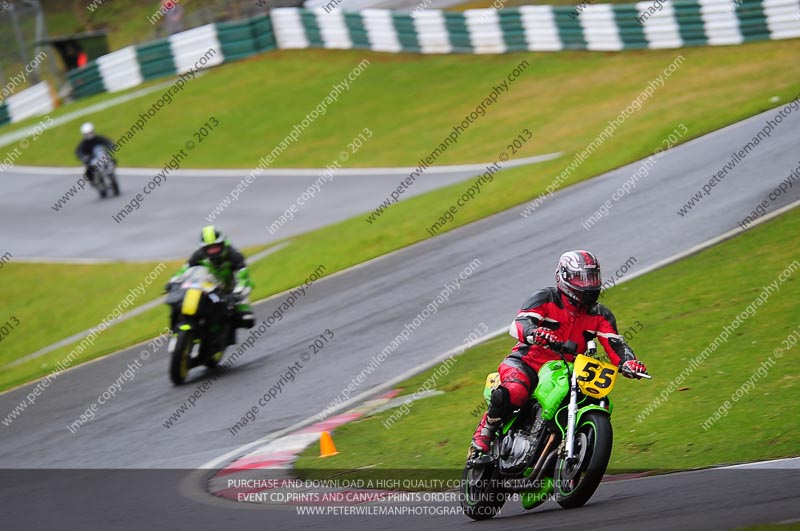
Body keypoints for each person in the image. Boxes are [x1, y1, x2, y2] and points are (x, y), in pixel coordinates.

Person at [470, 250, 647, 458]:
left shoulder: (601, 314)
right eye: (581, 278)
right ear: (563, 276)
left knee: (597, 400)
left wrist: (629, 363)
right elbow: (519, 324)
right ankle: (486, 430)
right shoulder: (545, 297)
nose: (588, 285)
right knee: (516, 390)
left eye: (592, 278)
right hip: (527, 362)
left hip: (567, 369)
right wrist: (535, 333)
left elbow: (615, 344)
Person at [167, 226, 255, 342]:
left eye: (216, 247)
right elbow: (184, 270)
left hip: (230, 291)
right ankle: (176, 332)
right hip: (207, 288)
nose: (213, 251)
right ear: (203, 249)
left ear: (223, 244)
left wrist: (237, 293)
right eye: (209, 249)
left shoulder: (234, 256)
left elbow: (244, 278)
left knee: (247, 319)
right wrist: (173, 281)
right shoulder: (198, 255)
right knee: (178, 302)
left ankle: (224, 336)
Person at [74, 122, 116, 189]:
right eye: (87, 133)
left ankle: (110, 171)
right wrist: (83, 157)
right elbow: (79, 152)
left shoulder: (98, 138)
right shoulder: (83, 143)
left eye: (90, 132)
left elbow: (108, 142)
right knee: (88, 171)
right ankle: (93, 181)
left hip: (101, 156)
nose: (89, 135)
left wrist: (110, 147)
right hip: (91, 160)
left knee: (112, 160)